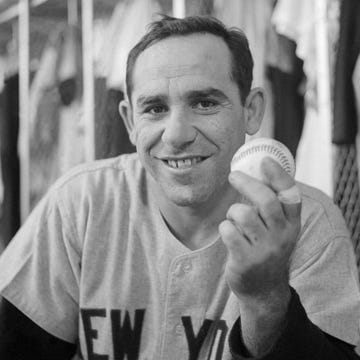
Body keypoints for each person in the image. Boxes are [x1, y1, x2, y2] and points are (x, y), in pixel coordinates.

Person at [0, 15, 359, 360]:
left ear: (250, 110)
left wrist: (267, 299)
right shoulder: (81, 203)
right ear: (128, 121)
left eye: (205, 103)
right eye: (155, 108)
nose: (177, 134)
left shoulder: (309, 224)